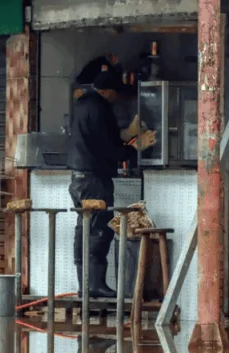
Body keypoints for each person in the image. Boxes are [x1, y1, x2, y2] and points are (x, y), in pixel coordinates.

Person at [67, 68, 157, 297]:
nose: (117, 98)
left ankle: (85, 287)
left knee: (84, 228)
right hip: (94, 179)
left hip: (79, 178)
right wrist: (135, 147)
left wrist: (127, 134)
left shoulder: (82, 103)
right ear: (107, 92)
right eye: (116, 93)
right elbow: (108, 149)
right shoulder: (99, 107)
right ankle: (94, 286)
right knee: (99, 230)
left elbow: (101, 139)